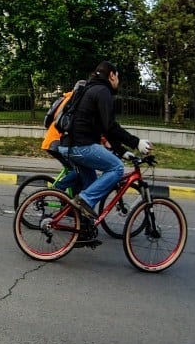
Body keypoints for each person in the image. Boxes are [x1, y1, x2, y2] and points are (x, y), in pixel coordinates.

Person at [57, 61, 152, 224]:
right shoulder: (102, 91)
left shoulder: (90, 89)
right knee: (116, 168)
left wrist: (121, 151)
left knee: (91, 183)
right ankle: (83, 200)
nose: (118, 81)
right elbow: (110, 126)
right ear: (112, 75)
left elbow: (104, 129)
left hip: (69, 145)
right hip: (81, 146)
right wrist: (136, 143)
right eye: (118, 77)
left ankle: (83, 229)